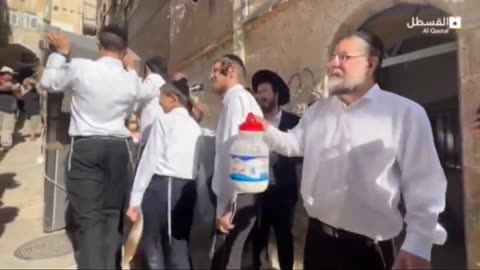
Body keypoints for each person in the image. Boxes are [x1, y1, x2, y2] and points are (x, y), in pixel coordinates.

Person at [254, 30, 447, 270]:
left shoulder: (405, 114)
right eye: (332, 56)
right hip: (317, 242)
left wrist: (418, 243)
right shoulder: (317, 112)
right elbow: (293, 144)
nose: (333, 63)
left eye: (344, 57)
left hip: (368, 250)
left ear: (370, 63)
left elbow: (425, 184)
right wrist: (262, 128)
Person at [40, 24, 158, 269]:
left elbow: (49, 81)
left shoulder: (82, 68)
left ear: (98, 45)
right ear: (124, 50)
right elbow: (146, 92)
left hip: (87, 148)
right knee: (112, 217)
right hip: (119, 150)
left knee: (90, 222)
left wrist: (60, 52)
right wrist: (131, 68)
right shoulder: (131, 79)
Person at [127, 82, 201, 269]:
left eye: (161, 98)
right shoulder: (195, 127)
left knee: (154, 245)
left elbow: (149, 160)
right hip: (187, 189)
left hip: (163, 188)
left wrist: (135, 199)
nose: (159, 103)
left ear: (173, 98)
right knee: (179, 245)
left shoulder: (164, 121)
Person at [209, 54, 263, 269]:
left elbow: (233, 153)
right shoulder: (243, 100)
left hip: (238, 193)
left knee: (228, 260)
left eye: (215, 71)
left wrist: (226, 206)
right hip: (243, 192)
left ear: (232, 71)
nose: (211, 76)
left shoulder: (236, 100)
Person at [250, 69, 301, 270]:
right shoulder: (252, 122)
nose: (260, 95)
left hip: (284, 192)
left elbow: (300, 153)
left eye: (264, 90)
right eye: (257, 92)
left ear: (276, 95)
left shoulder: (293, 121)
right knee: (258, 238)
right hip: (258, 191)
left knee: (284, 238)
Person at [135, 56, 167, 151]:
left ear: (147, 68)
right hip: (157, 131)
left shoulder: (153, 79)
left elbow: (140, 93)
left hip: (150, 131)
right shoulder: (163, 82)